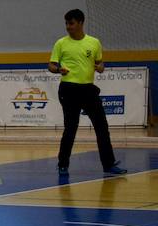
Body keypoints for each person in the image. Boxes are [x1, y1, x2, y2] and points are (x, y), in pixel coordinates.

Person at [48, 9, 126, 176]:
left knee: (101, 127)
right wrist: (58, 70)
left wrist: (101, 68)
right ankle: (63, 164)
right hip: (68, 89)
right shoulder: (61, 43)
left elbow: (100, 64)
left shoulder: (94, 42)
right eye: (66, 24)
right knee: (71, 127)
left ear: (81, 23)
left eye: (71, 23)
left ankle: (109, 164)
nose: (68, 27)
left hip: (88, 90)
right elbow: (51, 65)